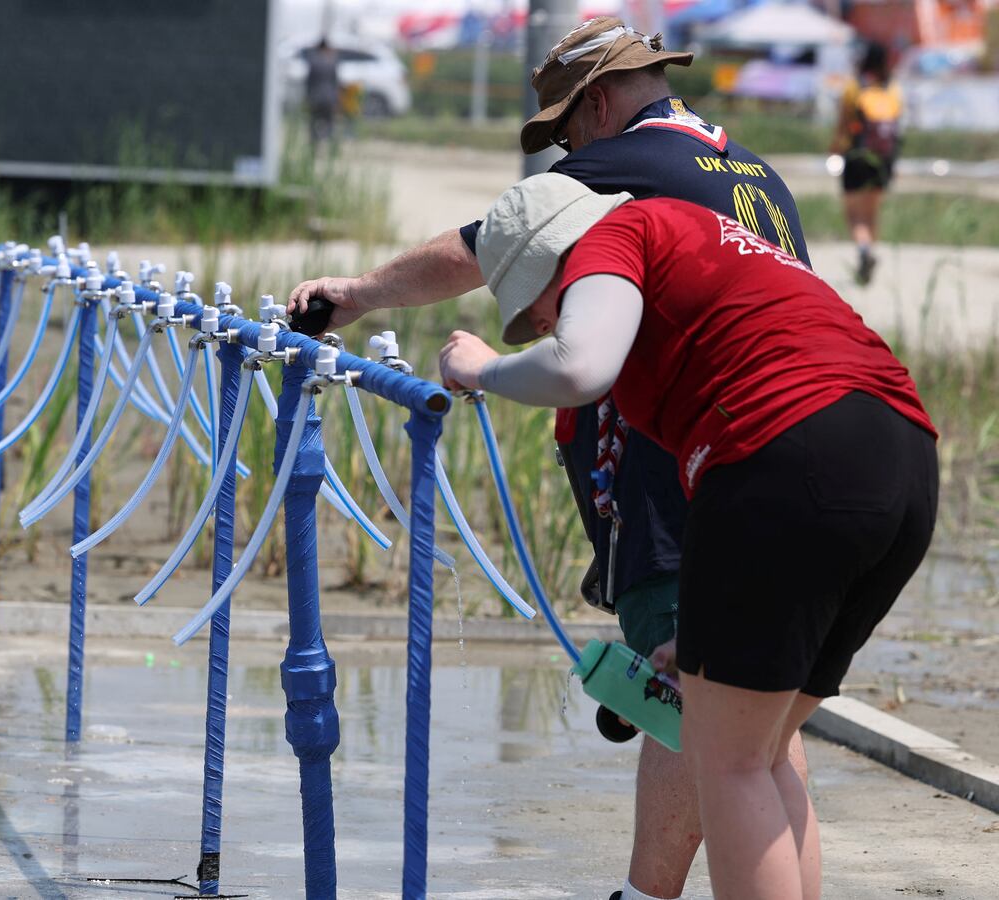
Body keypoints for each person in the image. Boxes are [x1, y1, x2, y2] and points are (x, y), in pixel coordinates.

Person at [287, 19, 810, 900]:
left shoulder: (633, 160)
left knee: (704, 712)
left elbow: (486, 241)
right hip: (805, 448)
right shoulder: (756, 173)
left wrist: (358, 295)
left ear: (597, 105)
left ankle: (645, 895)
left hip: (700, 456)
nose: (566, 155)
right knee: (761, 732)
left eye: (567, 133)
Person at [436, 171, 937, 900]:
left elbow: (579, 366)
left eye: (535, 309)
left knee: (725, 762)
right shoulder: (700, 241)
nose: (541, 325)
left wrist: (484, 369)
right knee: (758, 754)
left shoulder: (614, 236)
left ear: (555, 260)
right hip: (899, 458)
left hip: (787, 449)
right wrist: (702, 633)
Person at [830, 42, 900, 285]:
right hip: (884, 160)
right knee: (871, 213)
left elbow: (843, 123)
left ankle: (863, 250)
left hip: (857, 157)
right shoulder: (892, 89)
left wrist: (836, 147)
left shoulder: (854, 87)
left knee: (854, 214)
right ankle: (869, 248)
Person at [305, 38, 342, 151]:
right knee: (330, 123)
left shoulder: (313, 62)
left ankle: (314, 147)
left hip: (316, 98)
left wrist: (308, 97)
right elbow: (335, 82)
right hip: (329, 98)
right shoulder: (332, 62)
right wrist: (337, 100)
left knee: (313, 123)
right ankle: (331, 149)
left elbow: (309, 82)